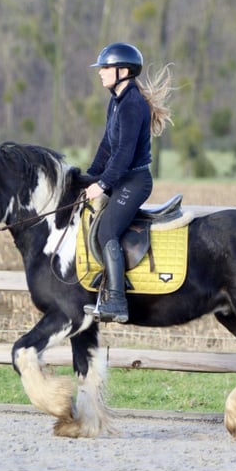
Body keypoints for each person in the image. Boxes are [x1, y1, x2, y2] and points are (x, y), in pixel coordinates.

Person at [83, 42, 174, 323]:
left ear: (123, 71)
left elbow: (123, 154)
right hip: (122, 178)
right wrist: (88, 177)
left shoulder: (132, 104)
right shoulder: (117, 100)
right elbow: (107, 147)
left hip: (134, 181)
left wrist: (103, 184)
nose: (100, 73)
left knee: (106, 233)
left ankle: (118, 303)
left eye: (105, 68)